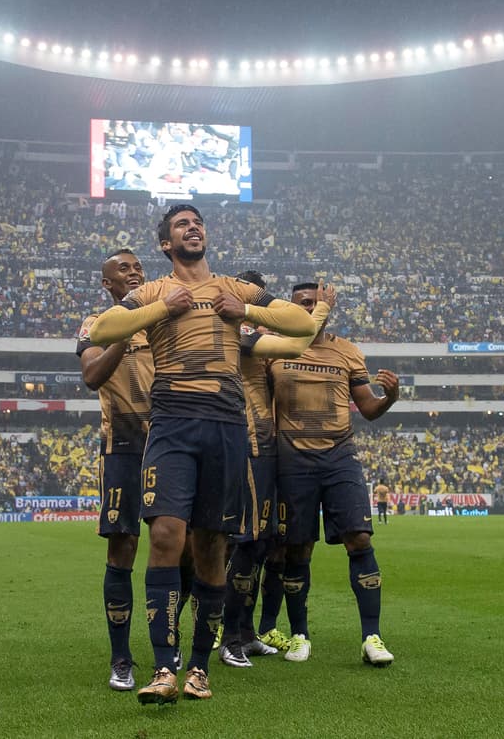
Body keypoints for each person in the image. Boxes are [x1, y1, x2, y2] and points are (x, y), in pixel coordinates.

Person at [88, 204, 316, 704]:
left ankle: (198, 667)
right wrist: (163, 310)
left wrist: (248, 313)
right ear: (166, 245)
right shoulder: (151, 292)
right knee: (167, 535)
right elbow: (102, 330)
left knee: (212, 546)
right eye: (180, 225)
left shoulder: (236, 289)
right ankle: (164, 668)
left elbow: (299, 322)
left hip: (226, 422)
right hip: (171, 421)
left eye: (198, 222)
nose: (193, 228)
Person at [268, 282, 399, 667]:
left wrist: (390, 396)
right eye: (302, 304)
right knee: (298, 547)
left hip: (340, 457)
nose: (309, 308)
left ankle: (371, 636)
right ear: (289, 309)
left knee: (359, 538)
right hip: (292, 461)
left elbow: (369, 409)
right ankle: (299, 634)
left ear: (328, 307)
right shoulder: (275, 349)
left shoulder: (348, 352)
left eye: (315, 303)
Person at [221, 271, 330, 670]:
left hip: (265, 445)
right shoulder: (238, 333)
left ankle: (245, 633)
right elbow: (297, 343)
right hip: (249, 442)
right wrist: (320, 309)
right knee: (247, 542)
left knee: (260, 544)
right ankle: (229, 635)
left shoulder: (248, 333)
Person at [77, 249, 155, 692]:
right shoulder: (97, 324)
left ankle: (169, 643)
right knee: (123, 545)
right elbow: (91, 376)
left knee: (177, 544)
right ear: (108, 285)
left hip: (170, 443)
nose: (134, 272)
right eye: (123, 269)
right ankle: (121, 657)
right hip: (123, 445)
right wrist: (126, 333)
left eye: (137, 266)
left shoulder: (164, 316)